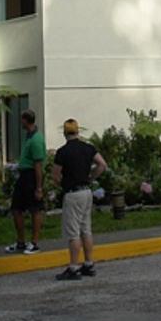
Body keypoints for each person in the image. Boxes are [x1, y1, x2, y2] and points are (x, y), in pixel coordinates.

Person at [50, 118, 106, 281]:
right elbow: (102, 164)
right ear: (78, 131)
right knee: (85, 229)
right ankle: (89, 263)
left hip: (72, 193)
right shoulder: (88, 148)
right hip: (87, 191)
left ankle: (73, 267)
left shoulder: (63, 152)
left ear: (64, 133)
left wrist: (63, 183)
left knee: (73, 232)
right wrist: (90, 177)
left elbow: (55, 175)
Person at [4, 109, 46, 254]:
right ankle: (20, 241)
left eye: (22, 120)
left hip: (32, 176)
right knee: (16, 208)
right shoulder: (29, 136)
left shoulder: (36, 140)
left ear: (26, 121)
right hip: (24, 174)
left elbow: (38, 164)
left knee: (35, 208)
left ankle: (34, 242)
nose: (20, 123)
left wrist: (39, 187)